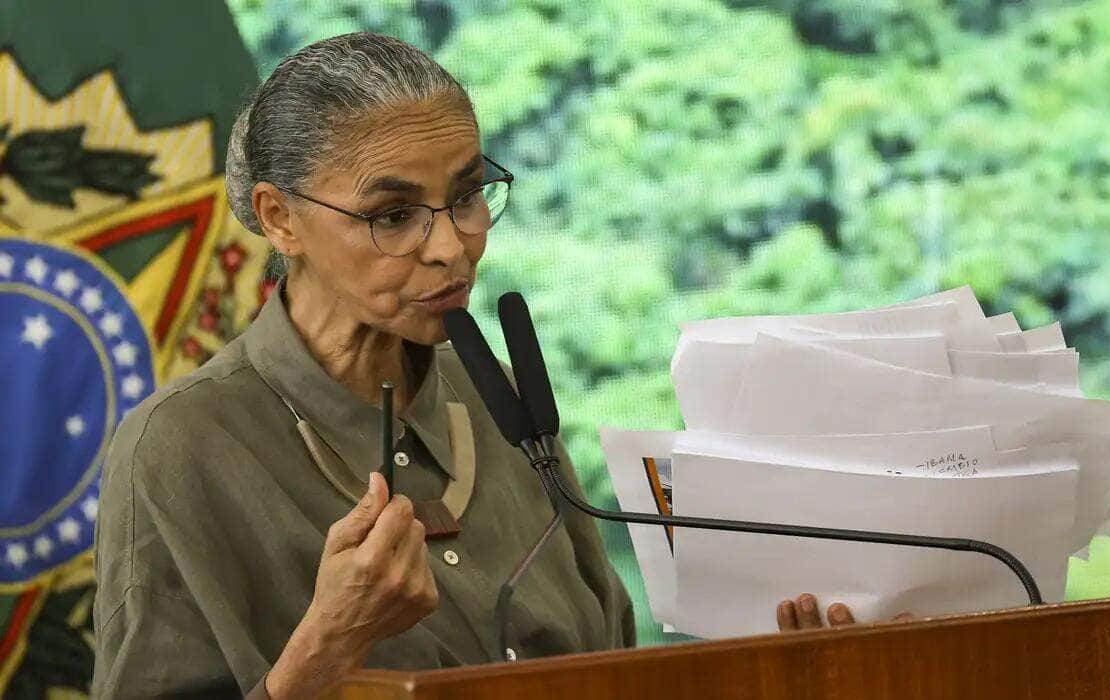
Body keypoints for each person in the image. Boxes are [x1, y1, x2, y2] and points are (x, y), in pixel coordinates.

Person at [92, 32, 853, 699]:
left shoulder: (508, 404)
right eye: (393, 216)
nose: (451, 246)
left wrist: (777, 665)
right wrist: (325, 649)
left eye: (467, 197)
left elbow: (615, 665)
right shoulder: (178, 448)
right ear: (279, 217)